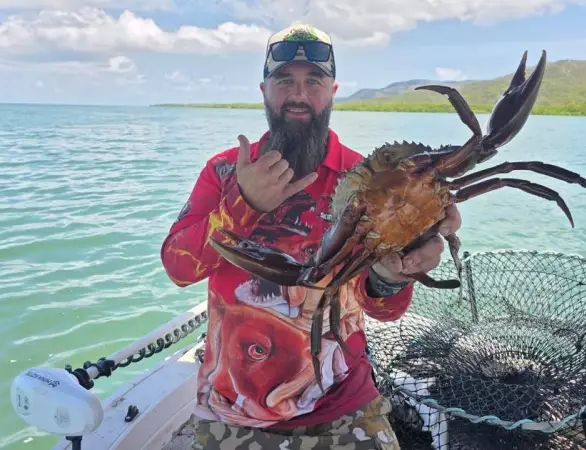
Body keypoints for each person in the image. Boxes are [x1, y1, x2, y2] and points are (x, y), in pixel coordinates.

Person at [160, 23, 462, 450]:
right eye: (284, 81)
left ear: (332, 90)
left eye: (313, 81)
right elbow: (177, 269)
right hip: (233, 407)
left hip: (346, 404)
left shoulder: (370, 180)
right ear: (264, 89)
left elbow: (384, 310)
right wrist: (243, 203)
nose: (298, 95)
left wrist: (394, 276)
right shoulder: (225, 171)